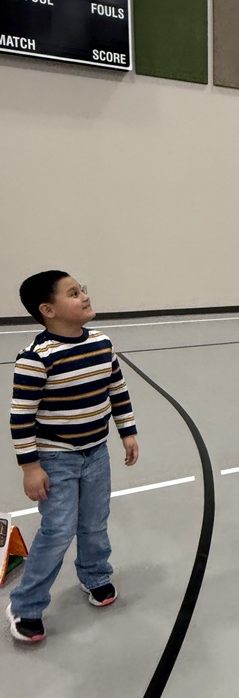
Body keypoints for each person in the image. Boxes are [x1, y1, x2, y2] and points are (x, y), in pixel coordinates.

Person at [6, 272, 138, 644]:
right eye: (73, 293)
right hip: (55, 458)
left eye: (83, 290)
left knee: (95, 521)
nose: (84, 297)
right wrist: (30, 467)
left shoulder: (101, 343)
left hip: (96, 453)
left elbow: (117, 390)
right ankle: (26, 605)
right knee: (59, 529)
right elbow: (21, 416)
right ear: (47, 310)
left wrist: (127, 431)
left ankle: (95, 575)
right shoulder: (36, 358)